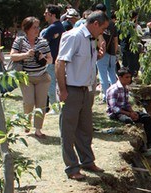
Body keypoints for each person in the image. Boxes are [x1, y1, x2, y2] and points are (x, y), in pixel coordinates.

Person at [56, 11, 109, 180]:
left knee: (85, 129)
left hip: (85, 90)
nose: (102, 33)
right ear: (95, 24)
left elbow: (83, 62)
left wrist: (98, 56)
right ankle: (72, 167)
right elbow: (60, 62)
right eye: (102, 28)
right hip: (72, 90)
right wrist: (63, 90)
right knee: (68, 130)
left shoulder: (90, 39)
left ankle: (87, 161)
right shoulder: (73, 36)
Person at [9, 17, 52, 138]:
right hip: (26, 77)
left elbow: (50, 59)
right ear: (27, 28)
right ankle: (26, 123)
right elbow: (12, 56)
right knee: (29, 102)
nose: (37, 30)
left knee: (41, 104)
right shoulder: (20, 41)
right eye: (34, 27)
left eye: (38, 27)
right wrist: (26, 54)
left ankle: (38, 129)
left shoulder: (43, 42)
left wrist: (43, 59)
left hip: (42, 77)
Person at [106, 67, 151, 151]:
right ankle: (140, 148)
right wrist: (129, 114)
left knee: (146, 117)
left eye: (130, 77)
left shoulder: (125, 88)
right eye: (127, 77)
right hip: (115, 114)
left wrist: (133, 112)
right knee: (129, 121)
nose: (129, 79)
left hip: (125, 111)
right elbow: (113, 108)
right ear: (120, 78)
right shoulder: (114, 89)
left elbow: (126, 103)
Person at [42, 4, 65, 114]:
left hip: (51, 60)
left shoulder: (53, 28)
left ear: (52, 15)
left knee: (50, 84)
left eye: (46, 13)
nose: (44, 15)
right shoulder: (60, 26)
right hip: (57, 59)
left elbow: (41, 41)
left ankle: (55, 108)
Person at [95, 4, 118, 102]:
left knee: (103, 75)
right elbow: (116, 40)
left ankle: (106, 96)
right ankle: (115, 95)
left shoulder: (98, 23)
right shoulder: (112, 23)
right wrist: (115, 52)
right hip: (112, 52)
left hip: (102, 53)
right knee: (112, 73)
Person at [121, 10, 141, 77]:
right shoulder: (131, 25)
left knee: (125, 64)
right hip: (130, 47)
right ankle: (130, 78)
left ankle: (124, 78)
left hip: (123, 46)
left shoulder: (122, 24)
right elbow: (133, 36)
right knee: (131, 64)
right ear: (135, 17)